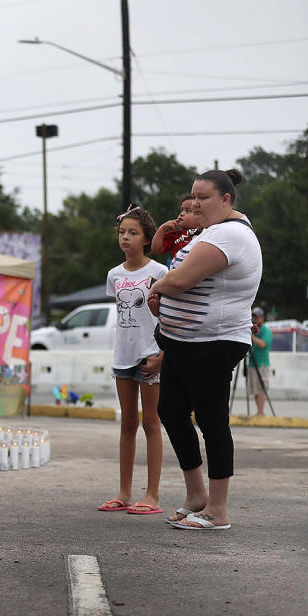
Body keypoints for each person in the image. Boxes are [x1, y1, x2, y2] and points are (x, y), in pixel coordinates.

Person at [147, 169, 262, 530]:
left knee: (212, 421)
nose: (196, 203)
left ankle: (218, 510)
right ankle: (197, 495)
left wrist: (158, 289)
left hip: (213, 343)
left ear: (226, 200)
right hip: (185, 342)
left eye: (205, 197)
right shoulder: (211, 232)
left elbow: (181, 279)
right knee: (171, 411)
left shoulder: (230, 234)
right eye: (193, 196)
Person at [98, 206, 168, 515]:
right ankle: (124, 493)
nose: (125, 238)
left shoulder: (160, 273)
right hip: (122, 356)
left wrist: (161, 355)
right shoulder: (114, 275)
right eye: (122, 233)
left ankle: (152, 495)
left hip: (150, 354)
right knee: (127, 423)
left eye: (133, 233)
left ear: (146, 238)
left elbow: (169, 317)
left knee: (151, 423)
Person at [150, 193, 202, 262]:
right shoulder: (176, 235)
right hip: (178, 271)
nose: (181, 214)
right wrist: (162, 229)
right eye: (181, 210)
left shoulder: (206, 232)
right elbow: (156, 249)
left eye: (188, 211)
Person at [248, 306, 272, 416]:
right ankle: (259, 412)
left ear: (262, 317)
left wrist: (251, 337)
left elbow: (263, 344)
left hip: (262, 364)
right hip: (253, 363)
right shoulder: (253, 329)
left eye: (257, 317)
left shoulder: (266, 330)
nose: (255, 319)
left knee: (262, 388)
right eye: (253, 316)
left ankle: (261, 412)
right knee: (255, 389)